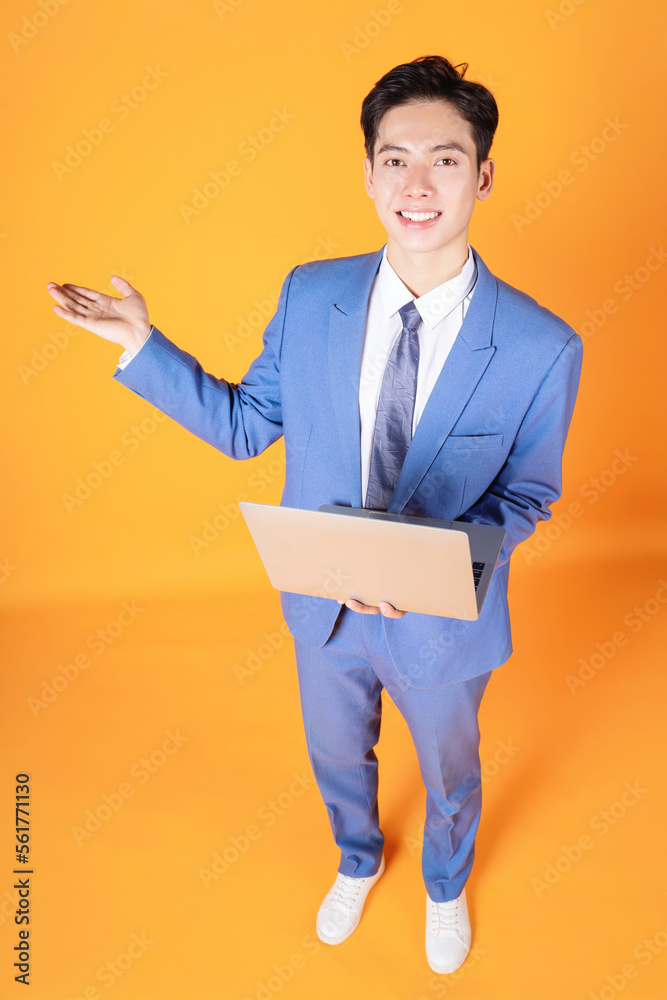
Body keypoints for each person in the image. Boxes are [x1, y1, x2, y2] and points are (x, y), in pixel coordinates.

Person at [46, 55, 583, 975]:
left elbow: (528, 494)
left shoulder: (543, 344)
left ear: (482, 175)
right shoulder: (310, 294)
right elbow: (246, 424)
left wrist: (431, 566)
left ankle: (445, 885)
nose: (416, 184)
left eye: (444, 161)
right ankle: (357, 857)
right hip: (321, 609)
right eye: (394, 159)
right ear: (369, 172)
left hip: (442, 624)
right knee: (337, 754)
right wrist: (143, 343)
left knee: (450, 777)